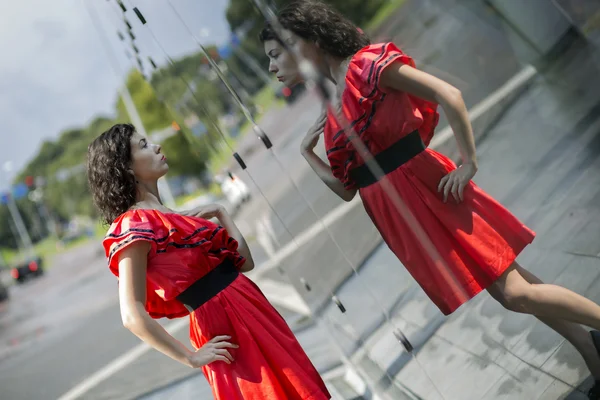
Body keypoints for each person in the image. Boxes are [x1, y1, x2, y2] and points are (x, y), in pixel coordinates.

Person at [260, 1, 600, 397]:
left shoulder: (368, 66)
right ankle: (592, 354)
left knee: (514, 292)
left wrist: (468, 162)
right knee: (514, 289)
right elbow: (349, 189)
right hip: (408, 213)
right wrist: (308, 154)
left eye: (274, 55)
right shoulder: (333, 107)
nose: (272, 68)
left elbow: (449, 94)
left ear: (306, 41)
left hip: (430, 191)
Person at [87, 123, 330, 400]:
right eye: (143, 146)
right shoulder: (133, 224)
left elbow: (243, 263)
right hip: (222, 325)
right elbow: (132, 315)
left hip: (252, 306)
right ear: (127, 169)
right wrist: (190, 357)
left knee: (301, 389)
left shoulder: (172, 216)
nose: (157, 146)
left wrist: (221, 213)